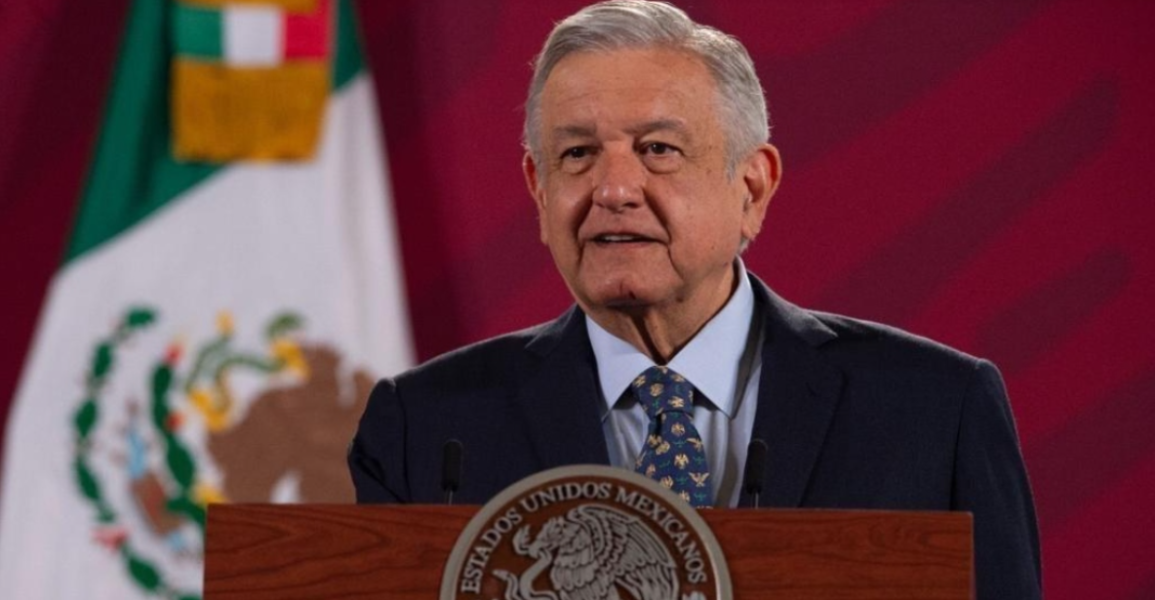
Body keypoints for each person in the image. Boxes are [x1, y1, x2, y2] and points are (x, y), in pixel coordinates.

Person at [348, 1, 1041, 597]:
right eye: (578, 155)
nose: (613, 190)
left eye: (657, 149)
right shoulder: (423, 428)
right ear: (539, 189)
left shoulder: (936, 410)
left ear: (752, 188)